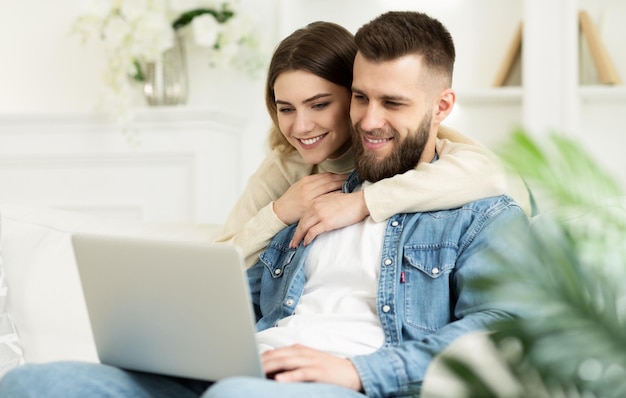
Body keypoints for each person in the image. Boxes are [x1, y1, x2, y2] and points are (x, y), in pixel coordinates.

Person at [0, 11, 529, 397]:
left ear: (441, 107)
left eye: (393, 103)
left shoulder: (476, 204)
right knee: (36, 383)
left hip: (347, 377)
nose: (370, 120)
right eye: (362, 98)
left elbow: (506, 321)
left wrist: (363, 373)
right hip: (248, 367)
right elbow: (234, 296)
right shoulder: (303, 190)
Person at [214, 21, 531, 268]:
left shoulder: (397, 144)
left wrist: (361, 202)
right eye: (286, 109)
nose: (300, 126)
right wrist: (280, 212)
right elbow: (220, 260)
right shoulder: (287, 165)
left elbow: (495, 177)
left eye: (320, 105)